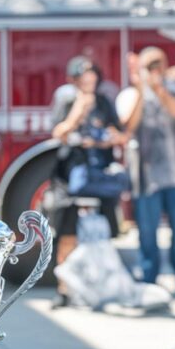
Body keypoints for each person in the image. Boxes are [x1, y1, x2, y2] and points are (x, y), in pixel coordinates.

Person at [50, 56, 126, 307]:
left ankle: (97, 289)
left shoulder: (104, 100)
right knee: (67, 234)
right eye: (83, 75)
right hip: (70, 175)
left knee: (101, 234)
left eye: (92, 74)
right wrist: (78, 112)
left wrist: (104, 140)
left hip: (98, 172)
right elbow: (58, 133)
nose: (89, 79)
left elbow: (120, 134)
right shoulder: (66, 99)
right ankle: (64, 290)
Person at [116, 47, 175, 285]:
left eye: (158, 65)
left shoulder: (172, 89)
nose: (154, 70)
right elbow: (128, 125)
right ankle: (148, 280)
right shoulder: (131, 94)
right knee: (147, 232)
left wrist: (160, 89)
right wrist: (143, 89)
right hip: (146, 176)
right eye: (149, 66)